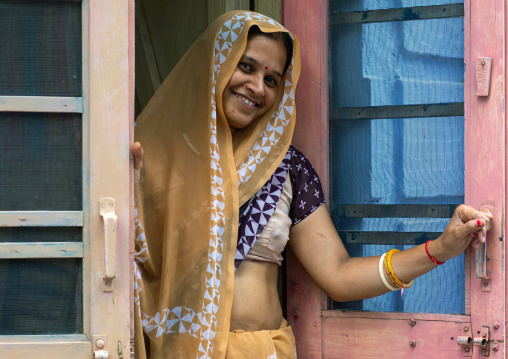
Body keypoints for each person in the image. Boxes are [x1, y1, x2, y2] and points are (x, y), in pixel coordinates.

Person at [131, 11, 493, 359]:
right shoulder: (152, 160)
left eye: (272, 80)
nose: (257, 87)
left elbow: (337, 273)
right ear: (215, 64)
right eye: (246, 66)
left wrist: (439, 250)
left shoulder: (285, 168)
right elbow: (127, 268)